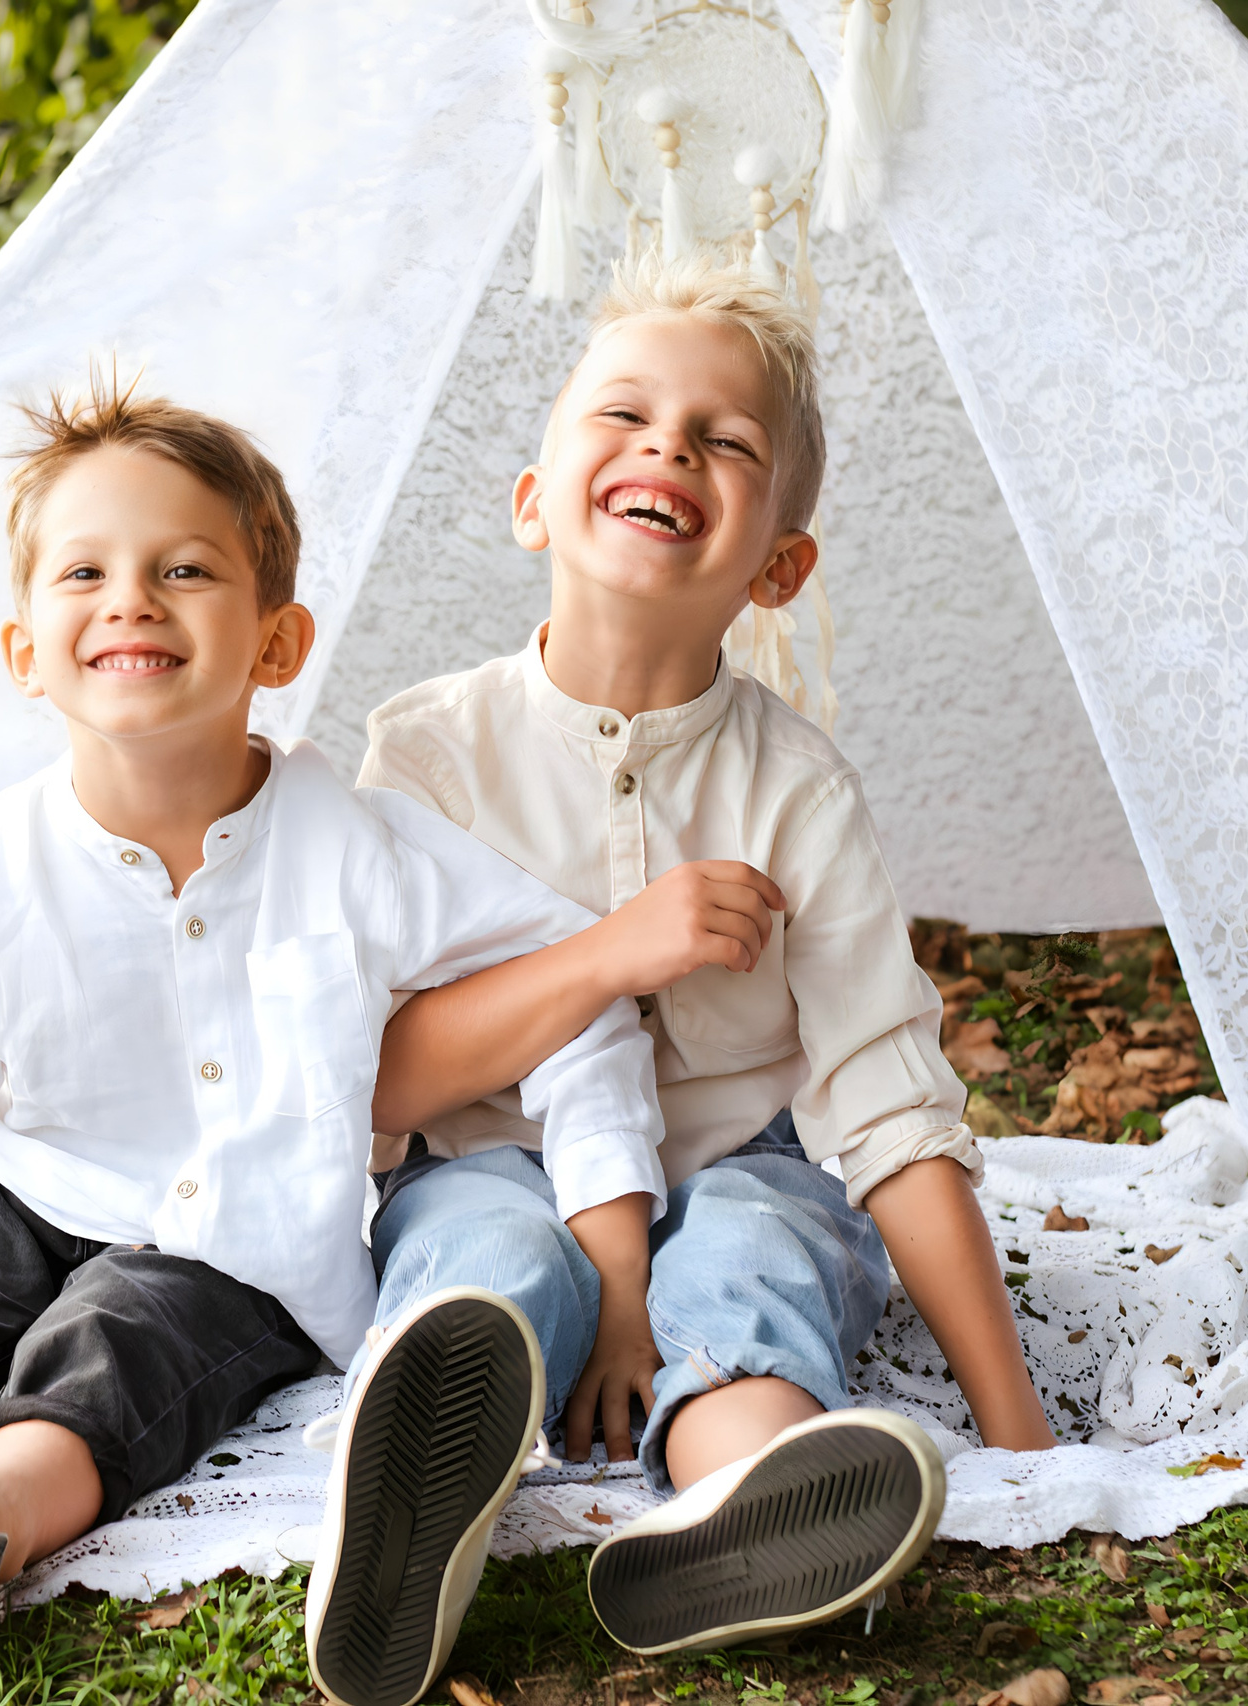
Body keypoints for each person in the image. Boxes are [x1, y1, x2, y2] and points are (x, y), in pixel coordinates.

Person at [0, 381, 664, 1666]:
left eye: (184, 568)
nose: (131, 598)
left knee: (114, 1350)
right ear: (25, 650)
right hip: (19, 1187)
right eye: (85, 570)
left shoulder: (360, 848)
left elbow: (581, 995)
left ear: (276, 644)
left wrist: (610, 1239)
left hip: (234, 1244)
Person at [354, 250, 1058, 1661]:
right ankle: (415, 1522)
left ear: (777, 566)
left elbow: (888, 1104)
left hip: (749, 1152)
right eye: (622, 415)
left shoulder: (797, 789)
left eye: (724, 440)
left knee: (755, 1255)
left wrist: (1020, 1428)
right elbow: (381, 1080)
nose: (667, 443)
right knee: (484, 1250)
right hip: (496, 1157)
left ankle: (741, 1510)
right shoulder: (426, 751)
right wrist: (619, 949)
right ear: (533, 497)